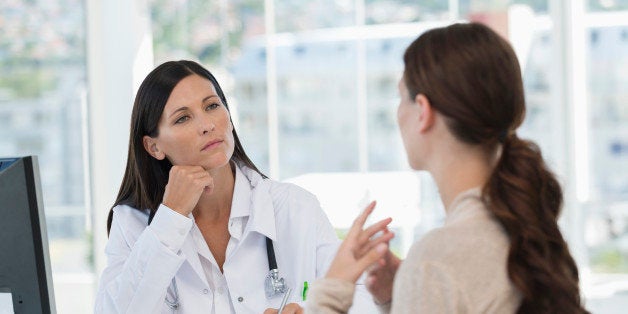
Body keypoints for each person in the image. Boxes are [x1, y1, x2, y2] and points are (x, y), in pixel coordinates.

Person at [307, 22, 589, 313]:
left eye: (401, 97)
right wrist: (403, 296)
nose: (398, 114)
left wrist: (333, 288)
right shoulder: (528, 234)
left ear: (423, 111)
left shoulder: (437, 260)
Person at [94, 60, 382, 313]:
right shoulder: (133, 224)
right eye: (183, 117)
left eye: (212, 106)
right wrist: (170, 218)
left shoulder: (294, 208)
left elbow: (359, 293)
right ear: (154, 146)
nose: (207, 124)